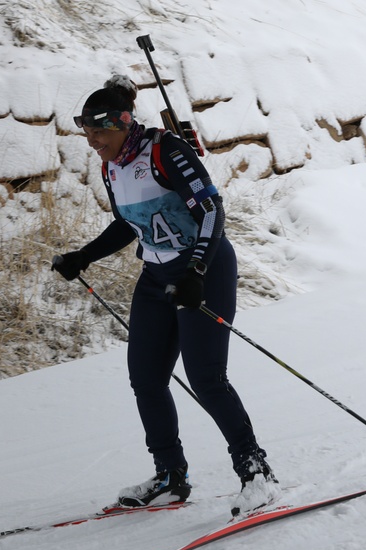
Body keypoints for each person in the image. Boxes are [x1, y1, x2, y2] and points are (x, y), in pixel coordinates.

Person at [52, 75, 279, 516]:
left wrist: (196, 270)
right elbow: (128, 223)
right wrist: (84, 256)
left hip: (202, 272)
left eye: (98, 132)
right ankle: (170, 476)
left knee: (207, 380)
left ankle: (257, 475)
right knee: (146, 380)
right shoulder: (111, 164)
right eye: (87, 133)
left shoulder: (165, 150)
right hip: (155, 277)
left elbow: (211, 209)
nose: (92, 141)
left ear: (120, 124)